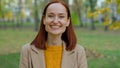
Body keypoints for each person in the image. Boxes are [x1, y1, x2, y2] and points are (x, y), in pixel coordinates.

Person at [19, 0, 88, 68]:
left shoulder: (79, 52)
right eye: (50, 16)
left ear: (68, 21)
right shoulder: (27, 51)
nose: (55, 21)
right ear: (44, 19)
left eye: (61, 16)